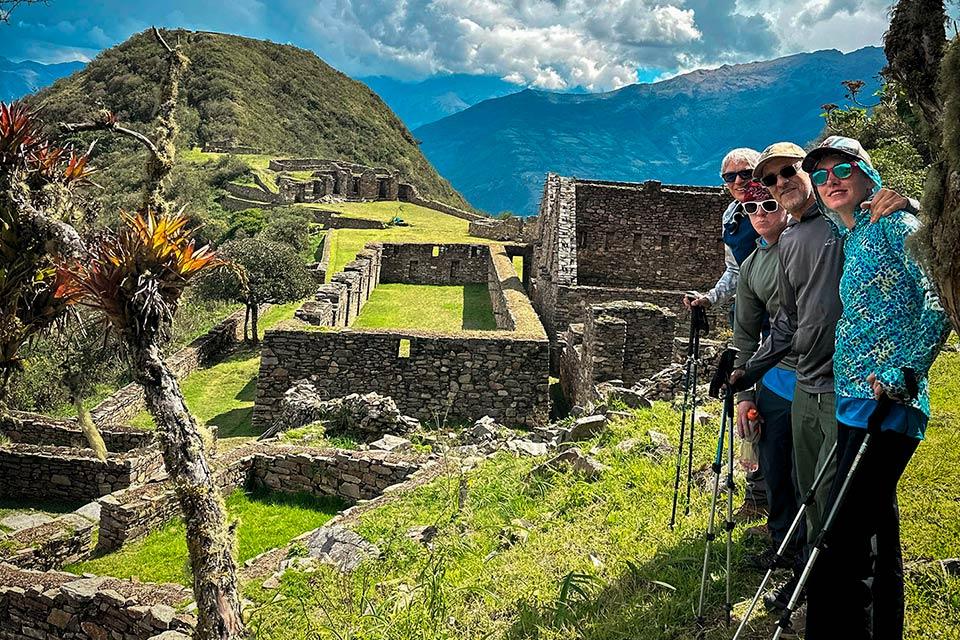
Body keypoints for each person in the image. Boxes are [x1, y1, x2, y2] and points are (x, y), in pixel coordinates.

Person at [729, 141, 917, 610]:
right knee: (810, 497)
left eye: (787, 172)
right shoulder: (791, 240)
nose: (779, 184)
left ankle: (844, 602)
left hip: (850, 387)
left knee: (849, 510)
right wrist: (746, 373)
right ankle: (813, 592)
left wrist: (908, 200)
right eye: (768, 180)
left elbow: (900, 231)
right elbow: (789, 322)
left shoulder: (846, 224)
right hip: (805, 389)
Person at [800, 136, 950, 640]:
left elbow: (941, 300)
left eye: (841, 169)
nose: (830, 181)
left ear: (869, 173)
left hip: (887, 404)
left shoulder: (893, 225)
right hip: (853, 404)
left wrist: (905, 373)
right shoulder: (853, 234)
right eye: (820, 176)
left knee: (839, 543)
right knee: (875, 533)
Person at [729, 180, 805, 610]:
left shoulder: (813, 242)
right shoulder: (753, 265)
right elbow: (745, 330)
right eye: (751, 208)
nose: (759, 213)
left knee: (806, 474)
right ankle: (782, 545)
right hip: (776, 379)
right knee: (775, 468)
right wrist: (744, 393)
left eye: (768, 204)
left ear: (785, 207)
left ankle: (810, 554)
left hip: (819, 377)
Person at [683, 147, 768, 519]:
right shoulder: (732, 216)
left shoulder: (776, 206)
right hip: (746, 319)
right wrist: (709, 297)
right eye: (729, 177)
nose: (737, 182)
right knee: (746, 402)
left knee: (770, 405)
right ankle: (756, 492)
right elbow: (734, 273)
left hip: (780, 319)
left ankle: (772, 491)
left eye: (745, 174)